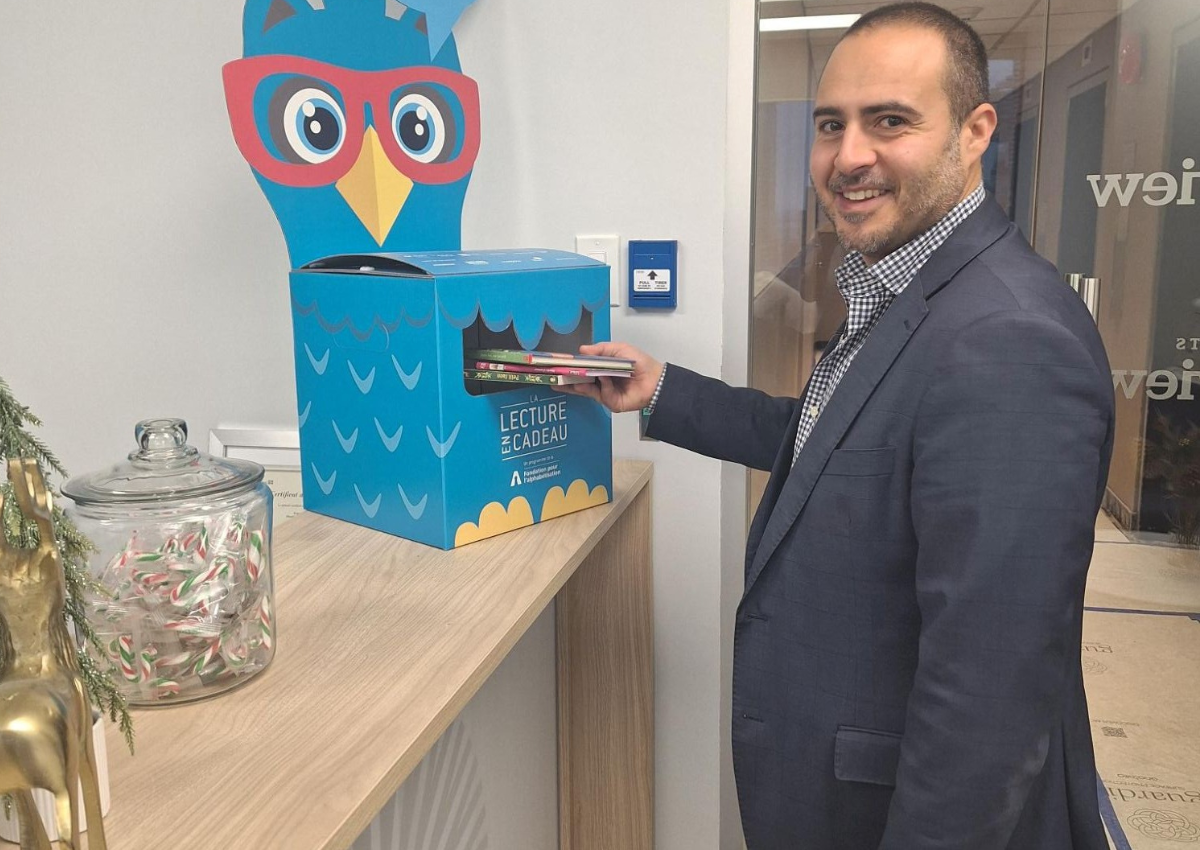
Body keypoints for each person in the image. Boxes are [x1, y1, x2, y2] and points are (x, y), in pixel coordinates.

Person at [558, 3, 1116, 848]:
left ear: (975, 132)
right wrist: (663, 389)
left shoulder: (1008, 339)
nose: (849, 157)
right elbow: (837, 444)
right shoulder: (903, 287)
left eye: (890, 121)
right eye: (831, 125)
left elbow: (988, 698)